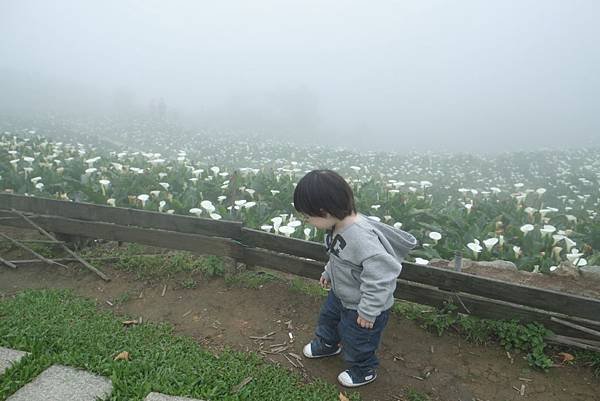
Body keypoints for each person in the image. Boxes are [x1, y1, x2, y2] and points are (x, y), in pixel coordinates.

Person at [293, 169, 417, 387]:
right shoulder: (336, 226)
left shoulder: (361, 237)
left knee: (359, 341)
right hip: (341, 295)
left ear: (323, 211)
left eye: (307, 216)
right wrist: (328, 272)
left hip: (363, 306)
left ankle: (364, 369)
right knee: (328, 320)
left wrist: (369, 311)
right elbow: (338, 256)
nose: (307, 221)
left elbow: (383, 276)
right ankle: (328, 344)